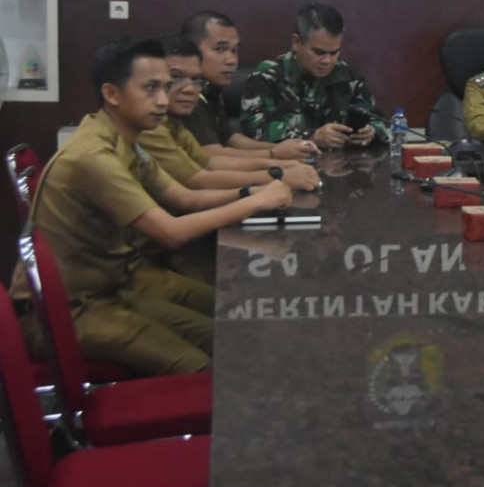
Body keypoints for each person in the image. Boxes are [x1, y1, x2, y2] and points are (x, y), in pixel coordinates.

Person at [8, 38, 293, 375]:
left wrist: (252, 191)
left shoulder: (126, 141)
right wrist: (257, 200)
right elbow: (171, 232)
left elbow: (185, 198)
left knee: (223, 334)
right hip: (65, 313)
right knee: (201, 368)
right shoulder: (93, 157)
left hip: (110, 289)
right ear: (112, 94)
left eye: (166, 87)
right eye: (151, 88)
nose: (163, 100)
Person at [140, 35, 322, 192]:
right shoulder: (150, 128)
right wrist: (276, 173)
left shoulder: (176, 121)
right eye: (176, 77)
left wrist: (279, 164)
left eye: (196, 80)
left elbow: (210, 163)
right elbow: (195, 185)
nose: (189, 88)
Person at [241, 4, 388, 149]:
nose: (327, 61)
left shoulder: (348, 75)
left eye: (334, 53)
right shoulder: (266, 76)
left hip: (341, 166)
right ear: (297, 42)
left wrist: (371, 132)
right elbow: (253, 131)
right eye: (319, 53)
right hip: (286, 167)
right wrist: (311, 136)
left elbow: (377, 120)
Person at [179, 10, 317, 161]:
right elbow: (212, 155)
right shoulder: (186, 95)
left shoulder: (211, 89)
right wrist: (274, 154)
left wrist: (289, 147)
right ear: (190, 51)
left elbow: (231, 139)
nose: (232, 60)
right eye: (220, 49)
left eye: (235, 50)